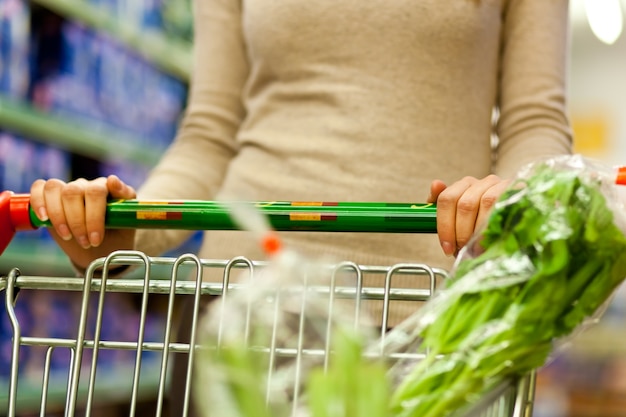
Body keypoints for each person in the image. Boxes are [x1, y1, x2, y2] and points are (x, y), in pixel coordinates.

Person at [29, 0, 572, 411]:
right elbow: (210, 134)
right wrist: (126, 226)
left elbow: (535, 123)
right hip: (244, 304)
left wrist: (516, 197)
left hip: (425, 317)